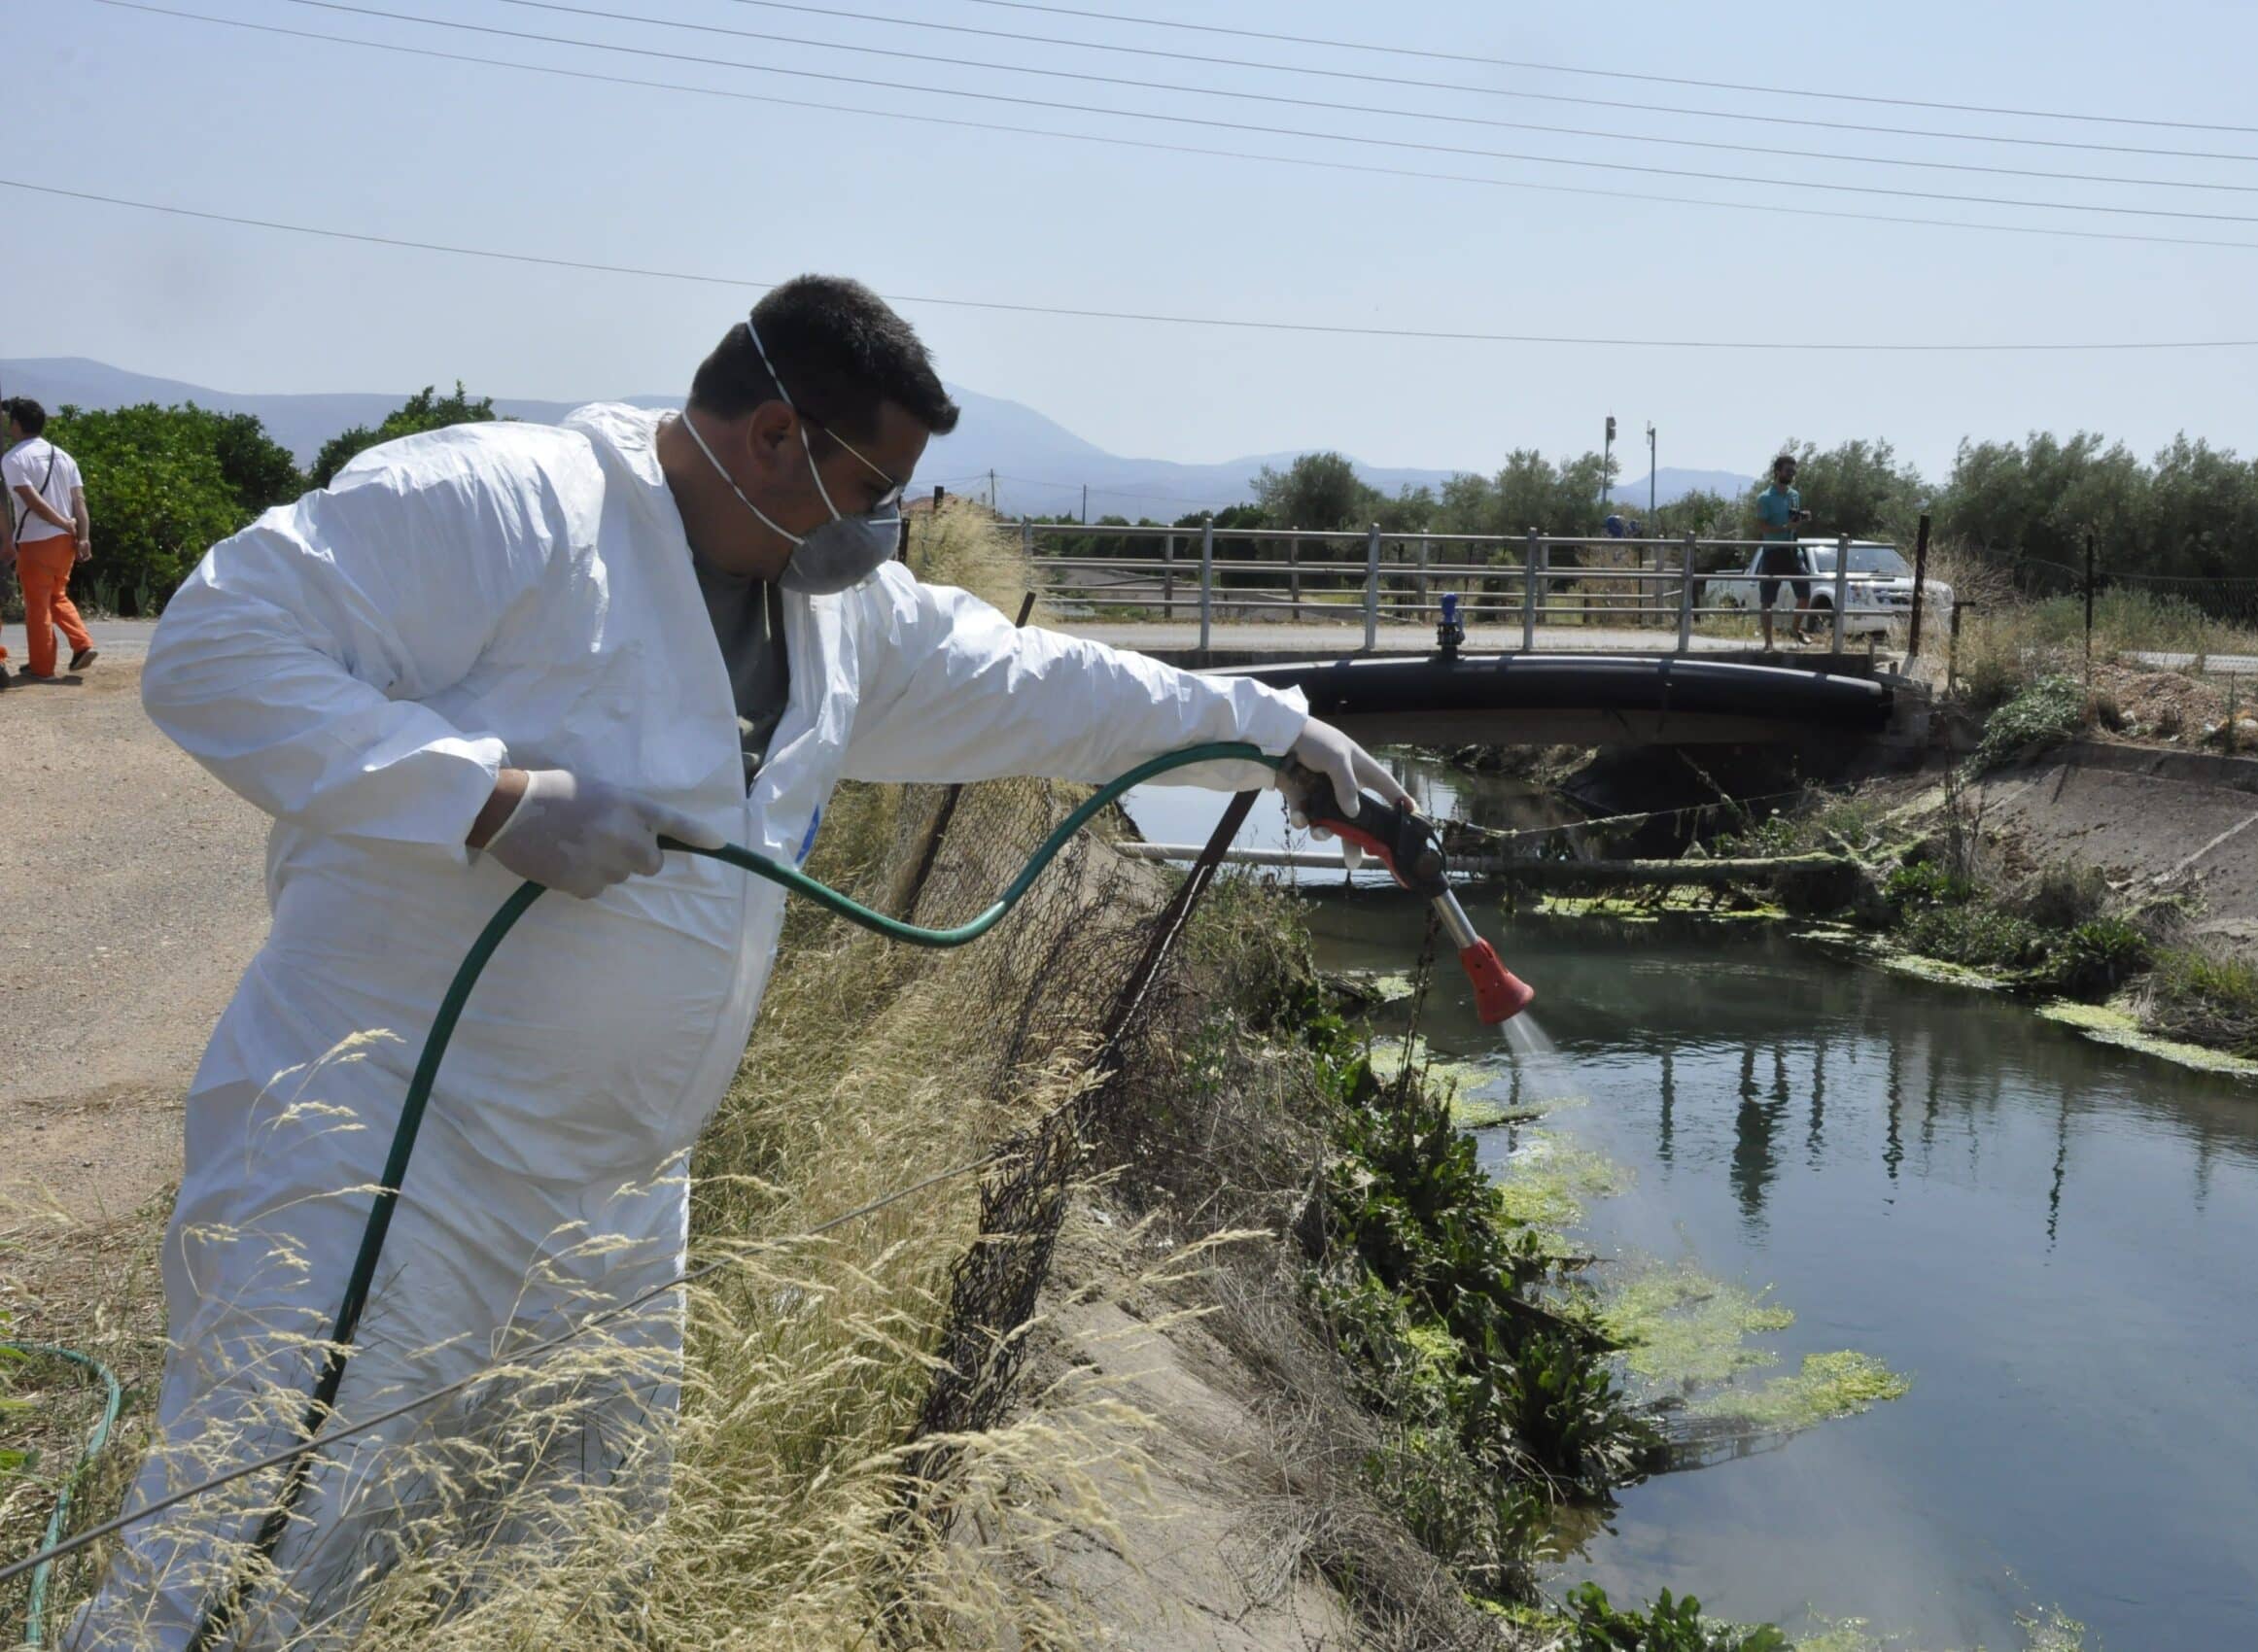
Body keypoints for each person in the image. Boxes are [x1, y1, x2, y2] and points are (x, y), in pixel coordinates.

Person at [73, 275, 1408, 1649]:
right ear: (773, 437)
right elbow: (217, 647)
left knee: (553, 1577)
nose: (889, 526)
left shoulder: (831, 618)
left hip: (620, 1200)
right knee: (248, 1576)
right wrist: (485, 796)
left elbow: (1039, 688)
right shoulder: (508, 505)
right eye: (874, 483)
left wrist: (1267, 732)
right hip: (391, 1169)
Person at [2, 397, 98, 682]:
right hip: (65, 543)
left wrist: (61, 522)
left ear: (16, 424)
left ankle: (42, 667)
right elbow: (79, 501)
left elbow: (32, 500)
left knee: (36, 605)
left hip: (36, 540)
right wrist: (82, 536)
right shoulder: (64, 456)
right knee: (56, 595)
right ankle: (82, 644)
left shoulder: (13, 459)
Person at [1751, 452, 1812, 651]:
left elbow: (1793, 522)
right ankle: (1768, 643)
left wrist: (1801, 520)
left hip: (1793, 551)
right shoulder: (1765, 498)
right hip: (1773, 552)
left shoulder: (1795, 495)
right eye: (1788, 470)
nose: (1791, 474)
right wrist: (1784, 528)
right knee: (1767, 599)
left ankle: (1795, 629)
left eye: (1794, 470)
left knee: (1805, 594)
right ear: (1777, 471)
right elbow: (1762, 527)